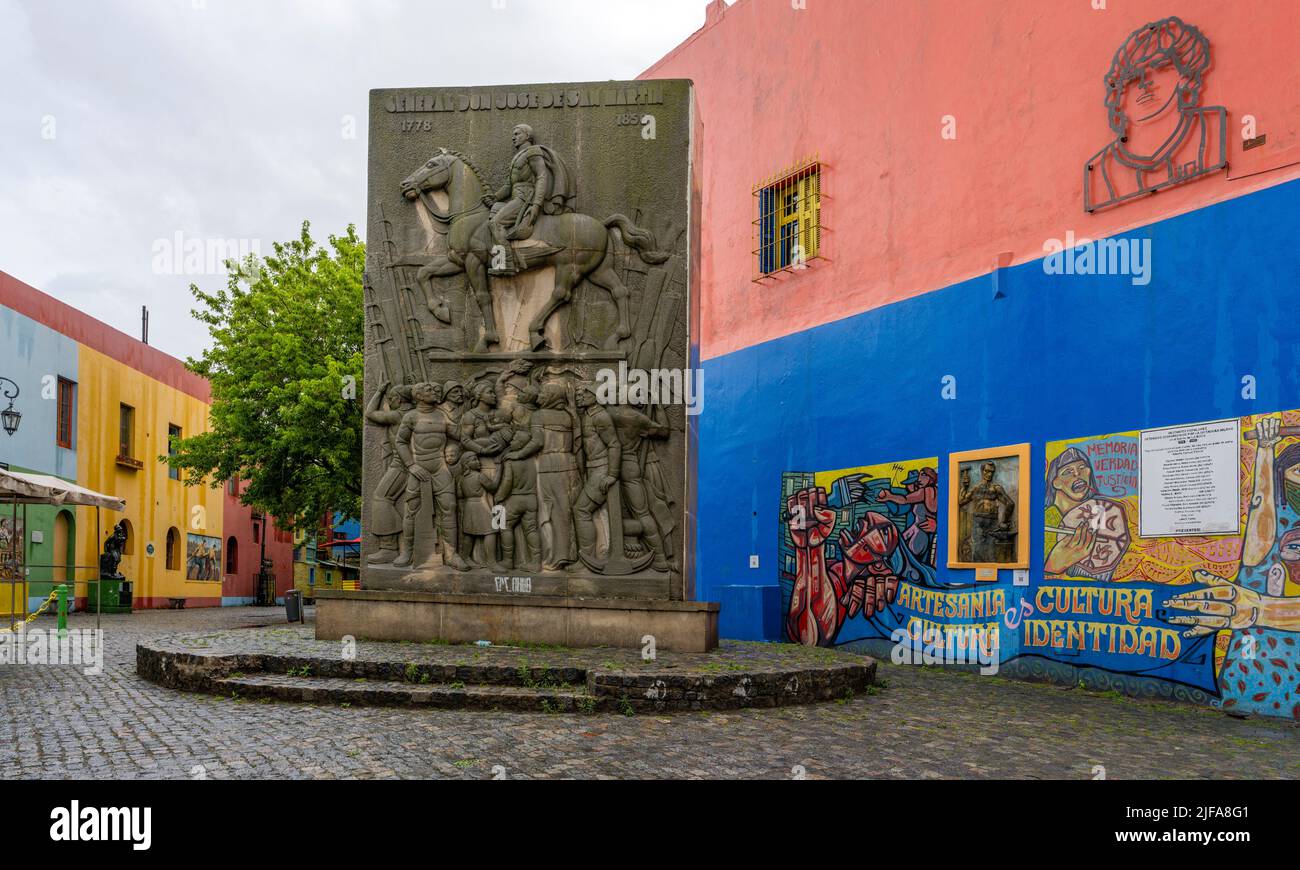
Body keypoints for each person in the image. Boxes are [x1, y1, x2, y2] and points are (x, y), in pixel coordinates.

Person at [1084, 16, 1225, 212]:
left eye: (1160, 69)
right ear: (1117, 97)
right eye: (1133, 79)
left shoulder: (1213, 127)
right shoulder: (1102, 170)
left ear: (1184, 77)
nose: (1144, 84)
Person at [485, 124, 576, 275]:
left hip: (524, 199)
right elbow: (509, 185)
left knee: (496, 223)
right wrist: (494, 197)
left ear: (527, 136)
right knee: (493, 211)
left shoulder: (533, 152)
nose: (513, 137)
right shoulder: (517, 157)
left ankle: (505, 264)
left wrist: (536, 204)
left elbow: (541, 177)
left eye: (517, 134)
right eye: (513, 134)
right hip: (516, 198)